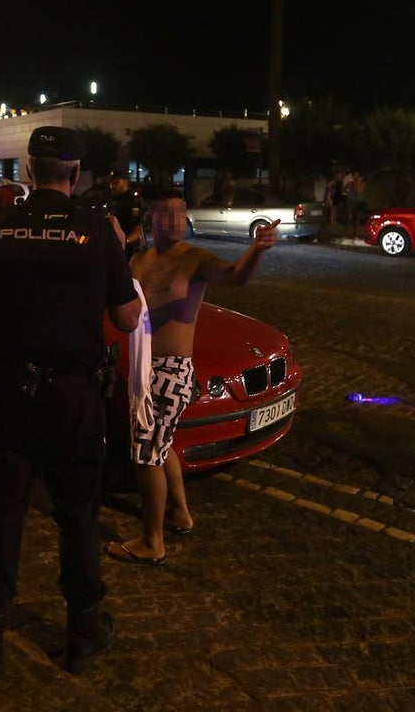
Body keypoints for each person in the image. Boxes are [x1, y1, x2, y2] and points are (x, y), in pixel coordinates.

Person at [0, 126, 142, 680]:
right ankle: (82, 631)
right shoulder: (98, 233)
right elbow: (128, 319)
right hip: (75, 398)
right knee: (78, 514)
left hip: (7, 395)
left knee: (3, 512)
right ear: (76, 174)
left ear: (30, 171)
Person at [104, 187, 278, 566]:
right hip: (143, 367)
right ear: (151, 218)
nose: (174, 221)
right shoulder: (140, 260)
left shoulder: (194, 259)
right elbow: (121, 295)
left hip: (172, 370)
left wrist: (258, 250)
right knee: (162, 445)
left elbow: (234, 276)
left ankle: (153, 542)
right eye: (165, 215)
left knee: (146, 454)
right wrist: (118, 247)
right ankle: (180, 512)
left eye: (180, 214)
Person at [108, 174, 146, 259]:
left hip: (129, 250)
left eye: (116, 182)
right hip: (115, 248)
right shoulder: (114, 201)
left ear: (125, 182)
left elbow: (138, 230)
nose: (113, 186)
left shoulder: (133, 202)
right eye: (111, 183)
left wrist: (124, 242)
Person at [345, 169, 367, 239]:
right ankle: (347, 232)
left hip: (357, 202)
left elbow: (359, 191)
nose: (355, 176)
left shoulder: (361, 182)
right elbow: (344, 189)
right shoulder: (351, 182)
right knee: (349, 217)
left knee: (357, 218)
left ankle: (355, 233)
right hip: (350, 200)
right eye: (354, 175)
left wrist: (358, 182)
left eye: (357, 175)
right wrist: (347, 190)